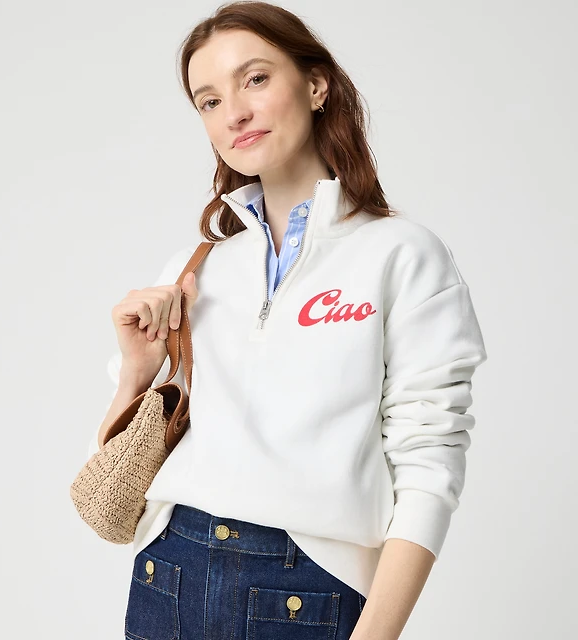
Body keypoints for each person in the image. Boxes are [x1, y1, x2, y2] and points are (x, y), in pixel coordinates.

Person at [86, 2, 488, 638]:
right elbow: (111, 487)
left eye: (255, 79)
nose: (234, 113)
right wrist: (137, 373)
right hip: (169, 575)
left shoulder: (401, 255)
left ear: (316, 85)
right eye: (209, 101)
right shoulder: (197, 268)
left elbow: (430, 464)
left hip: (308, 593)